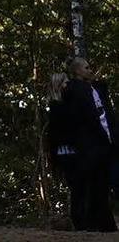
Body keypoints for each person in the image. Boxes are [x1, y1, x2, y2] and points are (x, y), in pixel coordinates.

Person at [53, 57, 118, 230]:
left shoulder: (97, 88)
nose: (90, 70)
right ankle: (89, 224)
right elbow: (71, 119)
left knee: (102, 185)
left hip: (106, 143)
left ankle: (104, 224)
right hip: (89, 146)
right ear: (77, 71)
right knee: (89, 186)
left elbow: (107, 115)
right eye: (87, 67)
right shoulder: (73, 90)